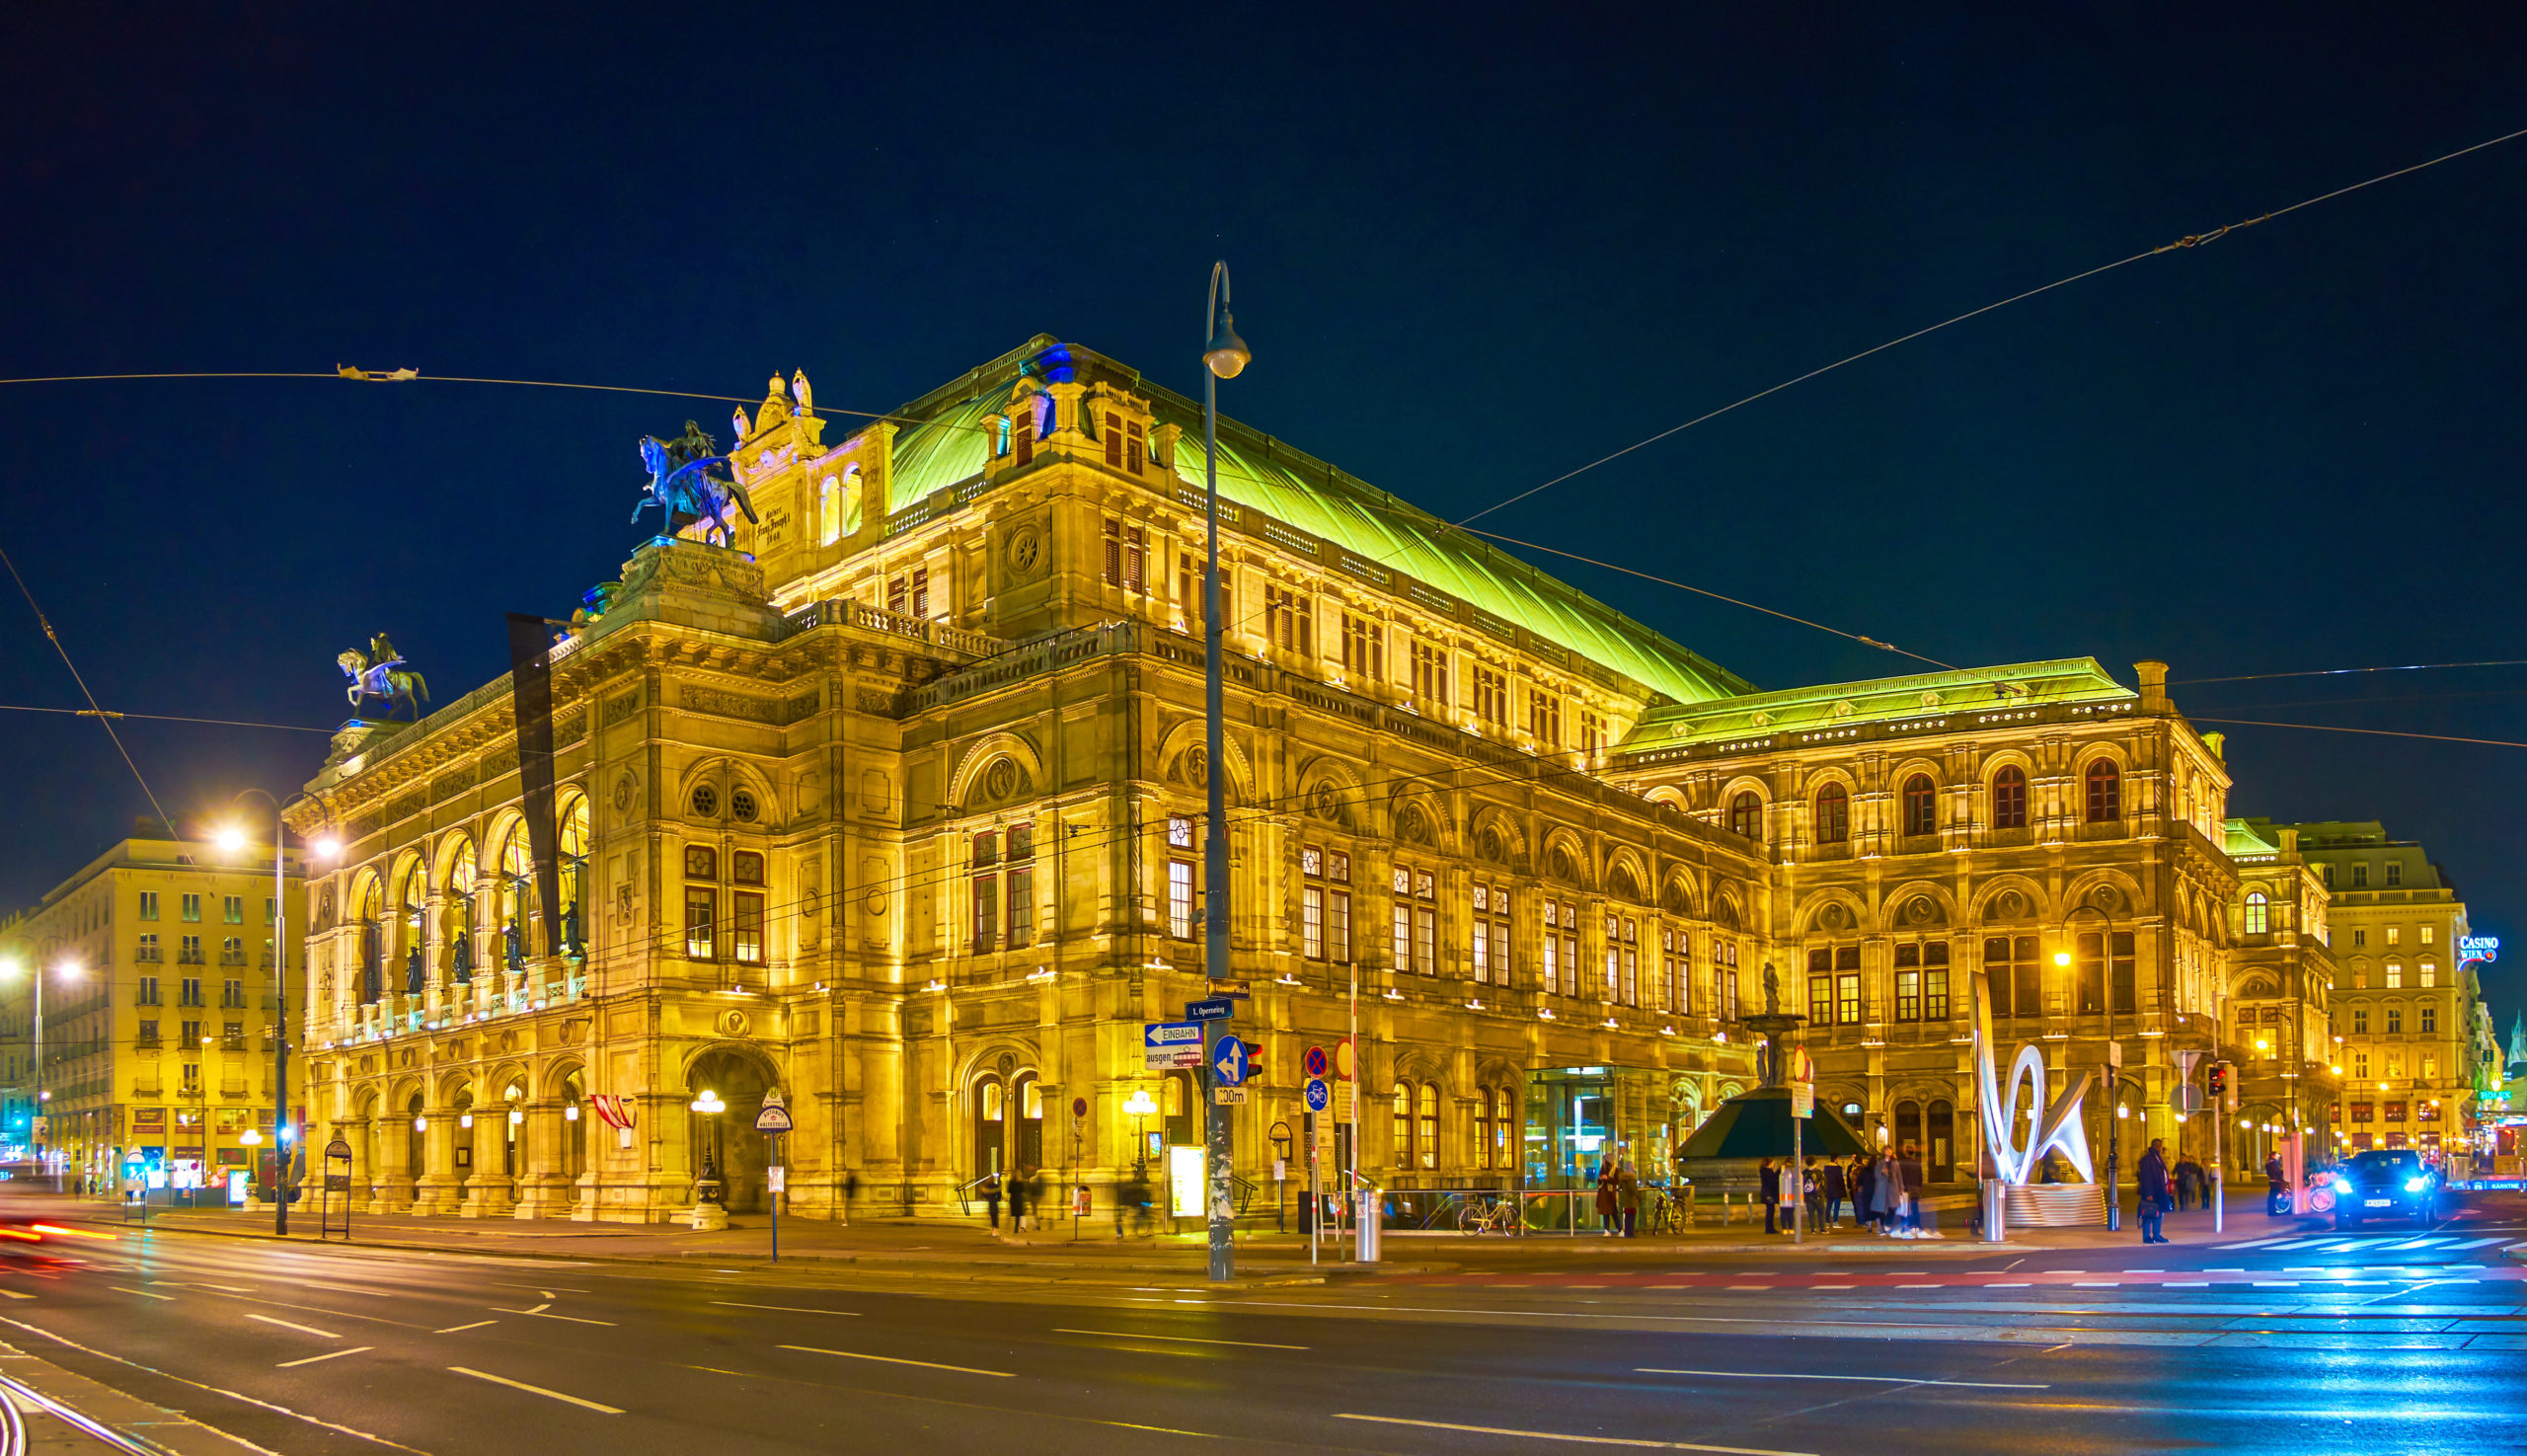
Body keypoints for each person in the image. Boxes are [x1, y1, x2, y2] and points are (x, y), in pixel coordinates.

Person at [2137, 1137, 2171, 1244]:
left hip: (2159, 1190)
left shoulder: (2156, 1157)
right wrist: (2149, 1193)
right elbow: (2146, 1177)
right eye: (2160, 1146)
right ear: (2158, 1146)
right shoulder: (2148, 1159)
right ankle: (2147, 1236)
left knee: (2159, 1212)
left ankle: (2157, 1235)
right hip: (2152, 1191)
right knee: (2148, 1213)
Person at [1852, 1153, 1878, 1234]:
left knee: (1867, 1209)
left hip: (1866, 1191)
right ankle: (1879, 1227)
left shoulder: (1865, 1170)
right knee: (1877, 1209)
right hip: (1875, 1191)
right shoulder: (1877, 1169)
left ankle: (1869, 1227)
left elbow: (1859, 1181)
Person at [1595, 1157, 1621, 1237]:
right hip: (1603, 1194)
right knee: (1605, 1213)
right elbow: (1599, 1182)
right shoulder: (1602, 1169)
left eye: (1603, 1160)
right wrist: (1600, 1179)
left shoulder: (1615, 1169)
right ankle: (1606, 1229)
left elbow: (1616, 1181)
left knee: (1613, 1212)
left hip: (1610, 1194)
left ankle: (1620, 1229)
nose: (1602, 1162)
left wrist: (1607, 1178)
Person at [1820, 1155, 1847, 1230]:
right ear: (1836, 1159)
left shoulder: (1826, 1168)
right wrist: (1843, 1189)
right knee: (1836, 1207)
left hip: (1828, 1190)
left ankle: (1827, 1222)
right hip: (1837, 1190)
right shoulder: (1838, 1169)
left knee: (1828, 1206)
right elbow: (1840, 1180)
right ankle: (1835, 1222)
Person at [1616, 1159, 1641, 1238]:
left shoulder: (1624, 1177)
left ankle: (1628, 1232)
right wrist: (1637, 1195)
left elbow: (1620, 1187)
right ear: (1630, 1167)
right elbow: (1632, 1189)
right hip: (1631, 1200)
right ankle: (1630, 1233)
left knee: (1628, 1217)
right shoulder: (1631, 1177)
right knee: (1631, 1217)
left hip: (1626, 1199)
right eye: (1633, 1165)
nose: (1634, 1167)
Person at [2263, 1151, 2286, 1216]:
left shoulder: (2270, 1163)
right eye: (2276, 1155)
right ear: (2273, 1156)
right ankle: (2272, 1211)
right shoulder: (2273, 1163)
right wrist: (2282, 1171)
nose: (2277, 1156)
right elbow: (2277, 1172)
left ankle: (2272, 1211)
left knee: (2272, 1196)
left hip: (2273, 1180)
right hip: (2275, 1181)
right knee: (2273, 1196)